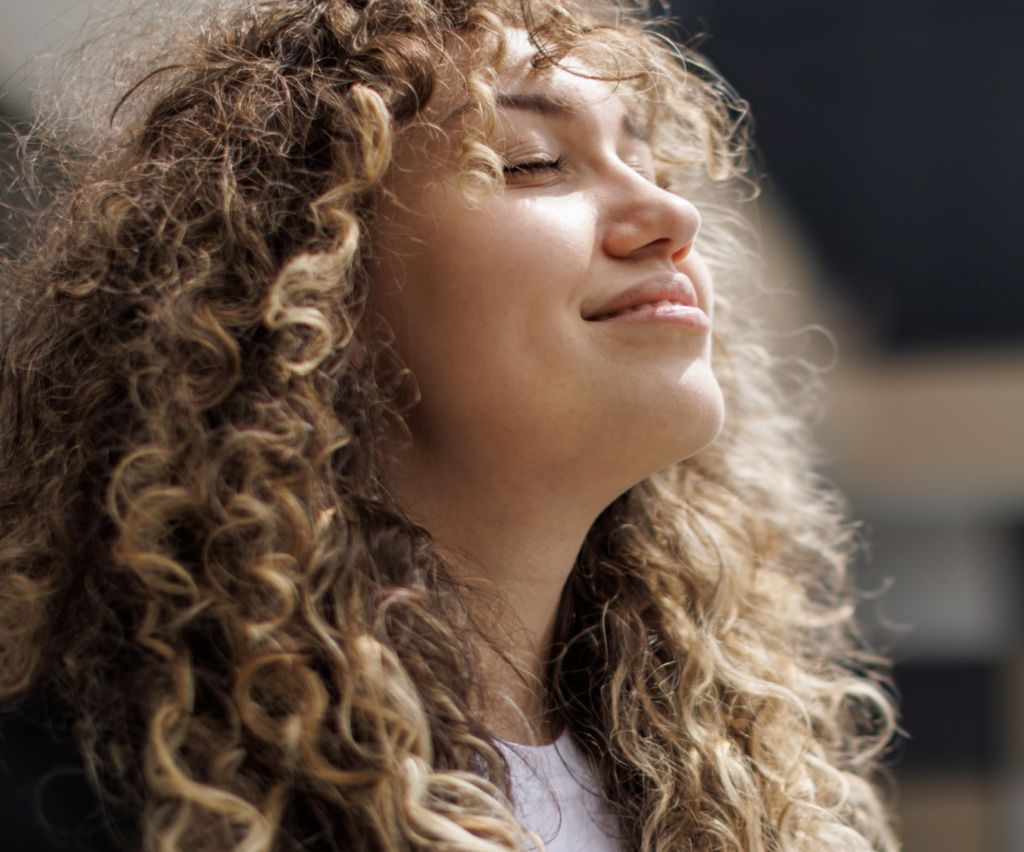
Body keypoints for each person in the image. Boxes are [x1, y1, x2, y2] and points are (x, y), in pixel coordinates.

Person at [0, 0, 897, 850]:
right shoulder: (72, 799)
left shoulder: (725, 790)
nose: (674, 216)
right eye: (534, 162)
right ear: (311, 284)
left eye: (652, 166)